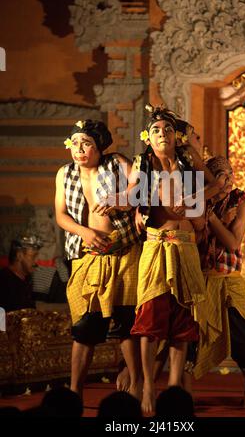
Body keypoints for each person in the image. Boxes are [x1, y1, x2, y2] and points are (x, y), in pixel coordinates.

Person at [55, 119, 141, 400]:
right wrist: (84, 232)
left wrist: (120, 200)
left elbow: (140, 187)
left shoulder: (116, 162)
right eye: (75, 143)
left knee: (127, 321)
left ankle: (137, 383)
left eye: (87, 144)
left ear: (99, 147)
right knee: (84, 327)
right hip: (87, 254)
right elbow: (61, 215)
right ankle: (74, 391)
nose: (79, 149)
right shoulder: (64, 173)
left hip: (124, 252)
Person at [129, 105, 207, 413]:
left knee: (182, 321)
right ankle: (148, 384)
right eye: (157, 130)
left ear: (178, 137)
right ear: (147, 137)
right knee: (150, 319)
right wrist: (133, 205)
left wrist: (189, 144)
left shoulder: (187, 165)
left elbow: (202, 189)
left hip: (185, 246)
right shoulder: (142, 164)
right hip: (157, 247)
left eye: (169, 130)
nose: (163, 134)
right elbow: (132, 196)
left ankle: (175, 390)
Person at [193, 155, 245, 408]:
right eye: (220, 175)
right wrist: (218, 221)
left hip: (230, 279)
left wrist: (212, 221)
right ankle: (183, 390)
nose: (226, 181)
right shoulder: (198, 200)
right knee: (195, 334)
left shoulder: (241, 200)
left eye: (229, 175)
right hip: (202, 278)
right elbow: (195, 241)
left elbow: (233, 243)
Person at [0, 235, 43, 312]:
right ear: (19, 255)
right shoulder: (4, 281)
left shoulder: (27, 278)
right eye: (33, 256)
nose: (37, 261)